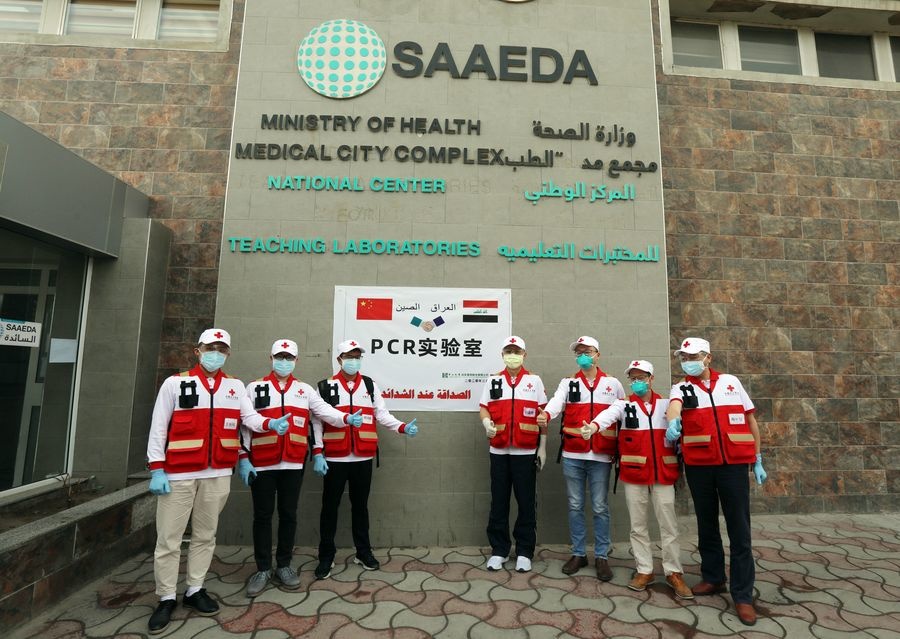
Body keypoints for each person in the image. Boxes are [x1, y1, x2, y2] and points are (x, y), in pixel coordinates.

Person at [145, 329, 291, 635]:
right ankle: (166, 597)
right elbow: (159, 427)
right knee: (169, 539)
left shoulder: (235, 386)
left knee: (205, 535)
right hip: (178, 474)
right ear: (198, 350)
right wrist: (157, 468)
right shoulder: (176, 383)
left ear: (228, 354)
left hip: (218, 474)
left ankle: (194, 589)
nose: (216, 353)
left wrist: (270, 424)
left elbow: (248, 420)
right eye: (210, 347)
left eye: (221, 349)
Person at [240, 339, 359, 597]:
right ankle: (262, 568)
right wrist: (243, 456)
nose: (284, 362)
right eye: (280, 357)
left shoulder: (304, 390)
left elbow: (324, 412)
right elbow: (244, 424)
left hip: (293, 462)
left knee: (288, 514)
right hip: (261, 463)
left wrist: (345, 418)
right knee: (262, 516)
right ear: (270, 358)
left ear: (297, 361)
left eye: (289, 357)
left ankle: (284, 565)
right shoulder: (254, 387)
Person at [665, 337, 768, 626]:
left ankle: (743, 595)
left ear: (708, 357)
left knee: (739, 528)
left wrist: (758, 458)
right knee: (706, 524)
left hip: (733, 467)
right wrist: (674, 421)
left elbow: (750, 420)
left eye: (693, 356)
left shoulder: (731, 383)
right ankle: (713, 578)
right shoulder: (681, 387)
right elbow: (674, 407)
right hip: (700, 466)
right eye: (683, 358)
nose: (687, 362)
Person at [311, 339, 419, 580]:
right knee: (330, 508)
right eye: (349, 356)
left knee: (361, 507)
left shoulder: (369, 385)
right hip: (335, 459)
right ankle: (326, 556)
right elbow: (316, 421)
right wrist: (317, 451)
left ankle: (363, 551)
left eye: (357, 356)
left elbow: (382, 414)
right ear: (339, 360)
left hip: (362, 458)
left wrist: (401, 427)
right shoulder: (325, 387)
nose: (353, 360)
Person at [588, 359, 692, 599]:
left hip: (663, 474)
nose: (637, 382)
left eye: (641, 377)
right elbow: (606, 417)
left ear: (651, 379)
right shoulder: (623, 406)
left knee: (669, 525)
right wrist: (593, 427)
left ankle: (673, 572)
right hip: (634, 474)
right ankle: (644, 570)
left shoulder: (667, 405)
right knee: (638, 526)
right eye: (633, 378)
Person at [537, 336, 623, 581]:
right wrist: (547, 414)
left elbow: (621, 413)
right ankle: (578, 553)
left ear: (598, 354)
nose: (583, 355)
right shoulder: (569, 383)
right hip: (573, 453)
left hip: (601, 455)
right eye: (579, 352)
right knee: (575, 505)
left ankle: (602, 556)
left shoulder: (613, 384)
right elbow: (556, 402)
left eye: (587, 351)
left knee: (599, 506)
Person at [480, 335, 547, 573]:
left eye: (516, 351)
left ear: (524, 355)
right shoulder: (493, 381)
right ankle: (499, 550)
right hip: (498, 450)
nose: (512, 355)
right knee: (499, 501)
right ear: (502, 355)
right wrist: (486, 422)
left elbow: (542, 415)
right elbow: (484, 407)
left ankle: (524, 551)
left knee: (526, 502)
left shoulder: (534, 381)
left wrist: (543, 445)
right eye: (508, 351)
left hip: (526, 451)